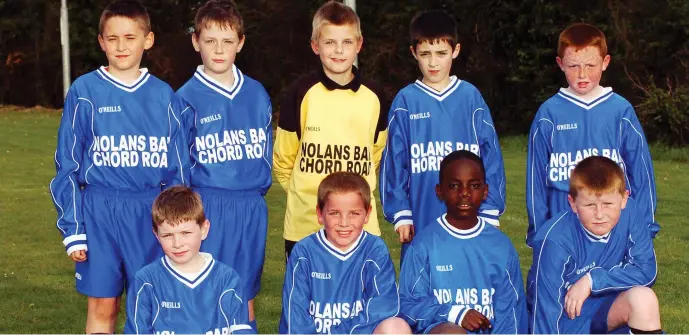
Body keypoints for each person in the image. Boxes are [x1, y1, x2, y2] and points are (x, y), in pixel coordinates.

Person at [49, 0, 174, 332]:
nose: (121, 46)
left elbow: (178, 171)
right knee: (104, 305)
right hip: (100, 212)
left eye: (130, 37)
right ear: (101, 42)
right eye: (113, 38)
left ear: (148, 40)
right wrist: (74, 230)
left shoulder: (165, 96)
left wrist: (176, 225)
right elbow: (67, 165)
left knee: (150, 304)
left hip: (149, 212)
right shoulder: (85, 91)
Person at [167, 0, 272, 329]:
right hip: (208, 205)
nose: (219, 49)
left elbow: (266, 156)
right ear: (196, 41)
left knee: (244, 294)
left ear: (240, 43)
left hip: (251, 206)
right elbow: (178, 166)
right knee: (202, 293)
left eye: (227, 41)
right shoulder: (185, 97)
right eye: (210, 41)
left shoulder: (257, 93)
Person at [379, 10, 505, 260]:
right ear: (414, 53)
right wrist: (401, 212)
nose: (433, 63)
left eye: (441, 54)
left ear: (455, 51)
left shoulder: (470, 98)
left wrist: (490, 208)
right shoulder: (406, 101)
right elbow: (394, 162)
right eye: (425, 54)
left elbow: (491, 157)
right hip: (421, 219)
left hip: (470, 219)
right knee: (419, 289)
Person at [273, 0, 388, 260]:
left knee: (359, 298)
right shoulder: (300, 93)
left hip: (361, 228)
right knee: (308, 299)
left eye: (347, 42)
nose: (338, 50)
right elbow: (283, 160)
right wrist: (308, 197)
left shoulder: (374, 96)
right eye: (329, 42)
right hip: (306, 227)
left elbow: (376, 153)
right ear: (315, 45)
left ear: (359, 45)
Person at [525, 23, 658, 247]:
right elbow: (536, 177)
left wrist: (645, 226)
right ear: (560, 64)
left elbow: (641, 172)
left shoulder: (620, 110)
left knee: (613, 281)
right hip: (562, 219)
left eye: (590, 65)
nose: (582, 74)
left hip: (612, 221)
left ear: (605, 62)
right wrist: (540, 230)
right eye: (573, 65)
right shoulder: (549, 113)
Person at [527, 156, 661, 334]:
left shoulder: (631, 212)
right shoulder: (554, 241)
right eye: (590, 205)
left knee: (644, 300)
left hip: (607, 309)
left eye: (607, 204)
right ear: (573, 203)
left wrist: (592, 280)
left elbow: (646, 271)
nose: (599, 214)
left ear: (624, 199)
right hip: (569, 321)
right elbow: (545, 312)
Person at [399, 150, 527, 334]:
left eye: (474, 185)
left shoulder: (501, 247)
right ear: (439, 191)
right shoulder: (424, 245)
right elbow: (408, 305)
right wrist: (455, 313)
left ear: (485, 192)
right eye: (454, 186)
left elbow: (512, 314)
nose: (464, 193)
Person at [278, 172, 411, 335]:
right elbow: (294, 316)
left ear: (367, 214)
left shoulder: (374, 250)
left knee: (396, 327)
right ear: (320, 214)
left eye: (354, 213)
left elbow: (384, 306)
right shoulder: (304, 252)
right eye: (334, 213)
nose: (344, 223)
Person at [124, 186, 254, 334]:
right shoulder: (146, 281)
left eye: (185, 233)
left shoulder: (227, 279)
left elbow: (240, 329)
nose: (177, 243)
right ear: (156, 235)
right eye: (167, 235)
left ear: (204, 229)